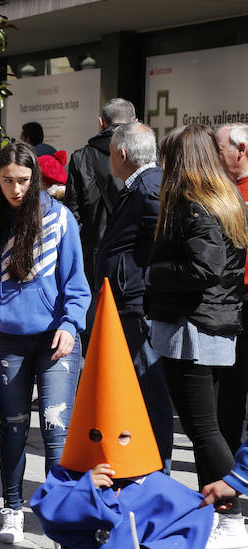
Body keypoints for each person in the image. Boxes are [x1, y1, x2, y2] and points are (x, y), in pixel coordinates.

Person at [0, 142, 90, 544]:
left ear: (34, 177)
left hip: (56, 341)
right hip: (7, 342)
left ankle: (59, 520)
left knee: (56, 431)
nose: (16, 189)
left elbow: (76, 283)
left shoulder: (61, 218)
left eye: (22, 180)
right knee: (14, 430)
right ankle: (13, 510)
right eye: (6, 181)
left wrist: (71, 324)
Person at [31, 280, 213, 549]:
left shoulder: (156, 488)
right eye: (95, 435)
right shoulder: (69, 479)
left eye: (123, 436)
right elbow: (47, 509)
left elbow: (196, 514)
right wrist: (86, 489)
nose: (108, 445)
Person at [146, 124, 248, 547]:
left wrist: (150, 273)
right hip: (214, 324)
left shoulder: (194, 204)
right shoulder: (225, 200)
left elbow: (201, 269)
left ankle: (232, 516)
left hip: (193, 327)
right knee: (211, 430)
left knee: (203, 430)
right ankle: (223, 516)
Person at [93, 122, 173, 473]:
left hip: (137, 305)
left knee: (151, 393)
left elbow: (165, 242)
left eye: (110, 152)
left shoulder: (150, 187)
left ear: (121, 154)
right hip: (128, 302)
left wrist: (140, 282)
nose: (110, 158)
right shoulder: (141, 185)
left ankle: (158, 472)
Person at [65, 98, 137, 295]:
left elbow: (73, 213)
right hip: (134, 255)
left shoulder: (81, 157)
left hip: (93, 255)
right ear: (135, 123)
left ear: (101, 122)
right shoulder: (146, 157)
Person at [214, 122, 248, 457]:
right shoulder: (222, 189)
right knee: (230, 385)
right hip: (228, 299)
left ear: (241, 150)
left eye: (220, 147)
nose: (214, 154)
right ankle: (229, 459)